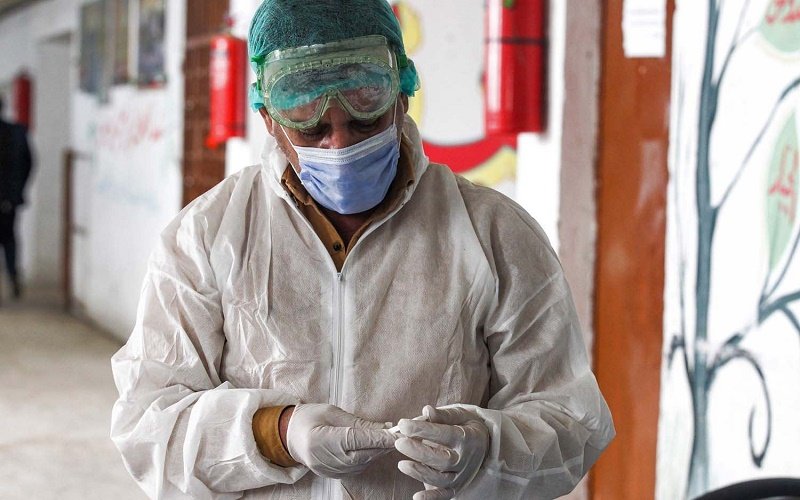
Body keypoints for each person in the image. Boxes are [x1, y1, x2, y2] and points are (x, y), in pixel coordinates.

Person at [110, 1, 615, 498]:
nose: (340, 146)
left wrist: (485, 449)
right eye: (312, 128)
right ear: (268, 119)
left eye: (364, 122)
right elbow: (148, 428)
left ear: (401, 97)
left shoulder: (494, 234)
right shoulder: (207, 235)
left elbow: (569, 420)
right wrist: (279, 433)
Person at [0, 96, 33, 299]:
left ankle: (12, 276)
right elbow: (28, 163)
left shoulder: (17, 132)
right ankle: (12, 276)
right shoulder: (16, 132)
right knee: (9, 238)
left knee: (9, 238)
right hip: (9, 199)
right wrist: (17, 190)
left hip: (8, 197)